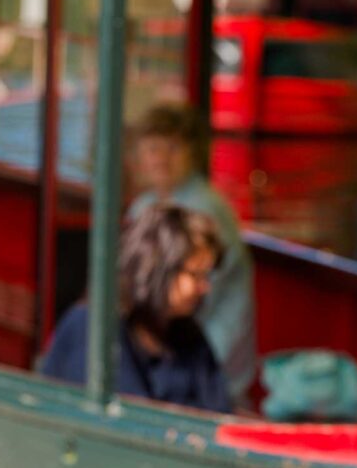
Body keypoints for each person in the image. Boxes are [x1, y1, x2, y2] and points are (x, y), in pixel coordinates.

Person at [42, 205, 231, 413]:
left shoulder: (189, 336)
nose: (205, 287)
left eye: (206, 275)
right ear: (158, 270)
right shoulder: (91, 328)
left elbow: (218, 411)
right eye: (195, 275)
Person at [127, 103, 256, 406]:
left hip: (213, 349)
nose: (161, 159)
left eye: (173, 148)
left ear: (192, 153)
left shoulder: (205, 209)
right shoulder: (143, 206)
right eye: (153, 149)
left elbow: (195, 297)